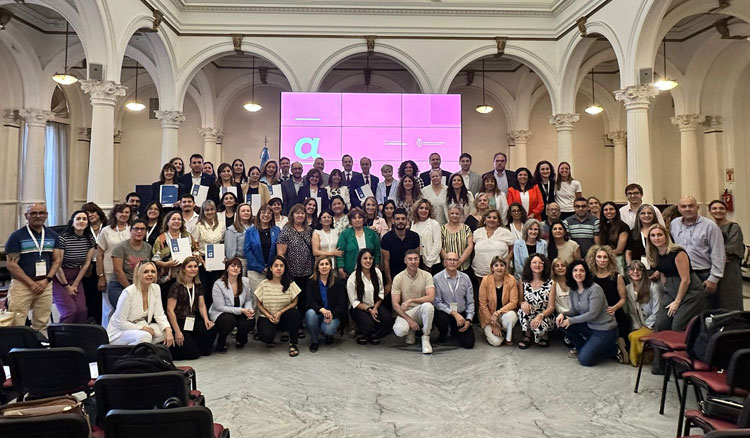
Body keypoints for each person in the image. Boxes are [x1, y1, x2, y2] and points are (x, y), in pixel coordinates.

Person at [4, 204, 62, 333]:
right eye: (33, 213)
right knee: (16, 319)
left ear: (46, 215)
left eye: (42, 213)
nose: (38, 216)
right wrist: (31, 283)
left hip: (45, 284)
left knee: (42, 320)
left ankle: (38, 348)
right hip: (22, 284)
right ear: (26, 216)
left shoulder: (52, 235)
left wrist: (47, 280)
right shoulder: (17, 236)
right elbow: (11, 264)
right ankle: (16, 349)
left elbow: (57, 260)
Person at [556, 260, 624, 367]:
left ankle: (614, 349)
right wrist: (563, 315)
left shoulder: (595, 289)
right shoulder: (573, 289)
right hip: (589, 326)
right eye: (575, 270)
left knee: (585, 360)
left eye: (582, 271)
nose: (578, 273)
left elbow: (593, 314)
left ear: (586, 273)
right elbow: (574, 311)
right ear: (571, 273)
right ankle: (582, 347)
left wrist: (571, 320)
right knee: (561, 323)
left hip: (604, 330)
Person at [647, 224, 707, 332]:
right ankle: (663, 349)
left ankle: (682, 348)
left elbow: (686, 280)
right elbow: (663, 274)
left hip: (690, 291)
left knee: (677, 326)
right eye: (653, 235)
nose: (656, 238)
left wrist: (677, 302)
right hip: (671, 290)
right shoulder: (655, 254)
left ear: (666, 236)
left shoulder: (678, 252)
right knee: (660, 324)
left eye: (659, 235)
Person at [670, 196, 725, 310]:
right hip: (680, 275)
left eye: (691, 206)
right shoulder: (674, 224)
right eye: (683, 206)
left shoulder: (710, 226)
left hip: (702, 274)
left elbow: (718, 253)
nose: (687, 209)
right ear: (679, 209)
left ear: (697, 207)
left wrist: (713, 279)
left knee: (704, 311)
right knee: (684, 311)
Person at [107, 261, 174, 347]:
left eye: (153, 271)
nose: (150, 274)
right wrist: (142, 328)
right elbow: (120, 322)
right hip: (120, 331)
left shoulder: (156, 288)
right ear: (138, 274)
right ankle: (128, 357)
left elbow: (159, 314)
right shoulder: (128, 292)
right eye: (145, 272)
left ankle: (143, 351)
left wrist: (168, 330)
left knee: (163, 332)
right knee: (145, 336)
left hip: (141, 324)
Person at [166, 257, 215, 359]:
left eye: (195, 266)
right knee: (193, 354)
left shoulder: (198, 285)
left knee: (207, 349)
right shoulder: (176, 286)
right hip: (178, 321)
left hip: (192, 319)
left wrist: (206, 319)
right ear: (183, 269)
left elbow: (201, 305)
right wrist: (177, 331)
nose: (193, 269)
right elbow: (170, 310)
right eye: (190, 267)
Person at [53, 211, 96, 324]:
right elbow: (57, 265)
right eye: (78, 219)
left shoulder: (90, 239)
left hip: (76, 276)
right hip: (59, 277)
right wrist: (67, 286)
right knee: (70, 311)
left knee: (82, 310)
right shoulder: (63, 238)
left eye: (84, 219)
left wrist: (76, 284)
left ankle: (77, 337)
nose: (81, 221)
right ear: (72, 222)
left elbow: (86, 263)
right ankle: (61, 337)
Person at [254, 256, 303, 357]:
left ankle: (293, 343)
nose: (279, 268)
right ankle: (271, 334)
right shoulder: (264, 284)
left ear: (285, 268)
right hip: (268, 317)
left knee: (295, 313)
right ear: (271, 268)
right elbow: (259, 304)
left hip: (284, 317)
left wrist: (280, 313)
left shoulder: (290, 283)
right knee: (266, 337)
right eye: (276, 266)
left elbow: (295, 302)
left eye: (281, 266)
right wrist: (268, 315)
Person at [391, 249, 435, 354]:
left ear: (419, 260)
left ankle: (425, 337)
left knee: (428, 306)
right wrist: (409, 320)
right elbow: (395, 304)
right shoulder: (398, 278)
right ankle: (411, 329)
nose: (413, 262)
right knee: (400, 331)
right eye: (410, 259)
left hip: (421, 310)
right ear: (405, 261)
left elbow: (431, 297)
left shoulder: (426, 275)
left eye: (416, 259)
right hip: (406, 312)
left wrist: (411, 300)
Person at [587, 245, 630, 349]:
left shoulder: (617, 276)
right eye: (599, 257)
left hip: (614, 313)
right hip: (596, 314)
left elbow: (623, 299)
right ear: (594, 258)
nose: (602, 260)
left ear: (609, 259)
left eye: (605, 257)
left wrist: (614, 308)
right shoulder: (590, 276)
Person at [152, 211, 199, 305]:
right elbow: (154, 260)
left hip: (186, 276)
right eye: (173, 219)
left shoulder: (187, 236)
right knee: (168, 303)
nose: (176, 221)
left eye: (179, 219)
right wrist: (166, 264)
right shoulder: (161, 239)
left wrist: (194, 256)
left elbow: (196, 250)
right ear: (167, 222)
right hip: (168, 277)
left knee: (185, 302)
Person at [109, 219, 153, 320]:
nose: (139, 232)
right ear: (130, 230)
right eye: (136, 229)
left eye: (142, 229)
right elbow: (118, 271)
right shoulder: (120, 247)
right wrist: (132, 290)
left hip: (139, 285)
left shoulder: (148, 248)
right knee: (126, 315)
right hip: (120, 285)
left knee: (139, 316)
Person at [277, 204, 315, 319]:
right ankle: (293, 324)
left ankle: (302, 322)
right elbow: (280, 253)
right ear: (292, 215)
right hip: (291, 272)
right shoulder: (286, 230)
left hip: (307, 271)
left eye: (302, 213)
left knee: (304, 298)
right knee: (291, 299)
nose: (300, 215)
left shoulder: (309, 230)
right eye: (297, 213)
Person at [210, 257, 255, 353]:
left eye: (238, 266)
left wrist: (249, 310)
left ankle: (240, 339)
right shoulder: (218, 284)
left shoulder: (245, 281)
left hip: (239, 310)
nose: (236, 268)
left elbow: (248, 300)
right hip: (222, 313)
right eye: (233, 265)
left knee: (250, 320)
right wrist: (241, 310)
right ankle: (222, 340)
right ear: (227, 268)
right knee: (228, 321)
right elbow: (220, 307)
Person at [96, 203, 131, 326]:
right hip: (110, 272)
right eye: (121, 212)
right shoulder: (106, 231)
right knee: (109, 308)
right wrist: (101, 276)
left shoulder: (132, 229)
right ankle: (107, 336)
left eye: (127, 212)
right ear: (115, 214)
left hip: (128, 273)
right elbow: (99, 254)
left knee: (126, 307)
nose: (124, 214)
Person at [347, 248, 391, 344]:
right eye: (365, 258)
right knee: (368, 323)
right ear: (359, 260)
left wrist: (375, 308)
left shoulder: (377, 272)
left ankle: (373, 334)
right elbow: (354, 301)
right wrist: (369, 309)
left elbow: (381, 293)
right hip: (360, 308)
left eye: (370, 258)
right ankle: (366, 332)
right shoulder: (353, 277)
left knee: (387, 319)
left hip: (375, 305)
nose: (368, 261)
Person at [433, 252, 475, 349]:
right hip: (445, 313)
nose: (452, 262)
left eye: (455, 260)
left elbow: (470, 301)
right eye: (449, 260)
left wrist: (469, 319)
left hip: (461, 313)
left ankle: (455, 331)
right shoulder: (437, 278)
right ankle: (443, 332)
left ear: (458, 262)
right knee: (440, 318)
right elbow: (437, 302)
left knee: (469, 344)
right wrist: (454, 313)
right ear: (445, 262)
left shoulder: (465, 278)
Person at [708, 199, 745, 311]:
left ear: (726, 210)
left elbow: (732, 248)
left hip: (729, 270)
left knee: (729, 299)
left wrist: (715, 255)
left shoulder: (734, 227)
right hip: (713, 268)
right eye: (714, 208)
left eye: (721, 208)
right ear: (709, 211)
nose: (718, 210)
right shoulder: (710, 227)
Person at [305, 256, 348, 351]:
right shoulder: (311, 282)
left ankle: (328, 334)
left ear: (331, 267)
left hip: (332, 314)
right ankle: (314, 341)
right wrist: (322, 310)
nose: (324, 267)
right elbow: (310, 301)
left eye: (327, 264)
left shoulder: (338, 283)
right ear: (317, 267)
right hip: (318, 312)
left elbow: (341, 304)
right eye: (321, 264)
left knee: (328, 329)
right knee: (310, 314)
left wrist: (332, 314)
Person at [624, 260, 661, 367]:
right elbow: (631, 311)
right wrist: (637, 327)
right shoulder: (628, 289)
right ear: (628, 272)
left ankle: (635, 361)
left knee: (635, 337)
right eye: (632, 269)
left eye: (639, 269)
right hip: (639, 324)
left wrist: (646, 326)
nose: (635, 272)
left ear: (644, 272)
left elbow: (657, 311)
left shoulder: (653, 287)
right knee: (632, 335)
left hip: (652, 324)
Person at [517, 254, 557, 349]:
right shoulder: (523, 281)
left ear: (544, 265)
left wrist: (540, 316)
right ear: (529, 265)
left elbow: (551, 307)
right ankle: (527, 335)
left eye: (540, 263)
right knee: (522, 311)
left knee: (539, 328)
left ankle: (544, 334)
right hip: (529, 312)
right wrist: (523, 303)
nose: (537, 265)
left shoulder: (551, 283)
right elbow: (519, 301)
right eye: (534, 262)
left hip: (544, 315)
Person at [191, 200, 226, 307]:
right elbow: (194, 247)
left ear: (215, 210)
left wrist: (224, 257)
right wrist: (203, 262)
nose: (210, 212)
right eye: (207, 210)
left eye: (212, 209)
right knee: (204, 290)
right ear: (203, 211)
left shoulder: (221, 225)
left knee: (217, 289)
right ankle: (204, 317)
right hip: (203, 261)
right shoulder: (198, 226)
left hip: (218, 261)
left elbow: (223, 242)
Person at [478, 257, 518, 346]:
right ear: (492, 268)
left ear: (505, 267)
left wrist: (498, 312)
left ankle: (508, 336)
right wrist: (493, 325)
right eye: (496, 265)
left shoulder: (511, 279)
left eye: (502, 265)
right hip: (489, 316)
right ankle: (491, 330)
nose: (499, 268)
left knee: (511, 316)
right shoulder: (485, 280)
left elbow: (514, 302)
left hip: (503, 314)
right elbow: (482, 305)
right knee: (496, 342)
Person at [381, 208, 420, 297]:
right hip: (394, 275)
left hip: (411, 275)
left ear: (407, 220)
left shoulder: (414, 237)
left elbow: (416, 259)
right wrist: (389, 282)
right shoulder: (386, 238)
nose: (400, 221)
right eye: (397, 219)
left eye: (403, 219)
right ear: (393, 221)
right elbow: (386, 262)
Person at [471, 209, 515, 283]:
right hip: (481, 271)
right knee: (484, 293)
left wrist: (508, 259)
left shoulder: (505, 232)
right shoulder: (477, 232)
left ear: (498, 220)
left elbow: (513, 248)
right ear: (485, 219)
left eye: (494, 218)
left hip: (501, 270)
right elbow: (472, 249)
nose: (492, 220)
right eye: (489, 217)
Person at [336, 207, 381, 278]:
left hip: (370, 271)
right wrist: (340, 269)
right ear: (350, 220)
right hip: (350, 272)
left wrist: (377, 266)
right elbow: (340, 253)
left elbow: (377, 252)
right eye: (354, 218)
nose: (357, 220)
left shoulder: (372, 233)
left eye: (360, 217)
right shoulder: (345, 234)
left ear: (363, 219)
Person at [81, 202, 107, 323]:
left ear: (98, 212)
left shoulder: (108, 227)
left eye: (92, 212)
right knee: (90, 295)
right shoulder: (83, 230)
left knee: (103, 297)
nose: (90, 215)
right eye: (87, 213)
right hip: (89, 266)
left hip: (104, 264)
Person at [244, 204, 280, 291]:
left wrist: (272, 267)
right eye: (263, 212)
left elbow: (278, 250)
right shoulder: (250, 231)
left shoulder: (277, 230)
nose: (266, 215)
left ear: (272, 216)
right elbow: (247, 250)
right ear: (259, 214)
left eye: (269, 213)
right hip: (255, 271)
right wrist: (260, 268)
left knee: (270, 297)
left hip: (272, 271)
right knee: (256, 298)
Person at [410, 199, 442, 274]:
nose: (423, 210)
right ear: (416, 210)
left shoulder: (434, 224)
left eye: (426, 208)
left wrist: (428, 263)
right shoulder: (413, 224)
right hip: (418, 262)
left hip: (433, 263)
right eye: (421, 208)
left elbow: (437, 245)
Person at [440, 204, 474, 275]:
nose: (454, 215)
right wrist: (450, 261)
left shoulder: (466, 228)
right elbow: (440, 247)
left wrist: (459, 262)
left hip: (464, 266)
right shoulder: (442, 229)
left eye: (457, 213)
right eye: (452, 213)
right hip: (447, 267)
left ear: (460, 215)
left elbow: (470, 246)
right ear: (448, 214)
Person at [625, 204, 658, 268]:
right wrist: (630, 267)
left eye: (649, 213)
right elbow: (628, 253)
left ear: (654, 215)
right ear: (638, 216)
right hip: (637, 270)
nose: (646, 215)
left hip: (657, 269)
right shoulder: (633, 232)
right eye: (643, 213)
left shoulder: (660, 231)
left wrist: (659, 271)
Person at [599, 201, 630, 266]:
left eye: (611, 209)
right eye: (605, 210)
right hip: (603, 259)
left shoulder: (623, 226)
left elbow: (619, 250)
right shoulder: (602, 226)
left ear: (616, 211)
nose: (608, 212)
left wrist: (603, 255)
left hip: (617, 260)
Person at [225, 203, 252, 274]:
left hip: (253, 261)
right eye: (243, 211)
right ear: (238, 213)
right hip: (239, 261)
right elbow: (230, 251)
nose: (246, 213)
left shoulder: (255, 227)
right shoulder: (232, 229)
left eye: (248, 211)